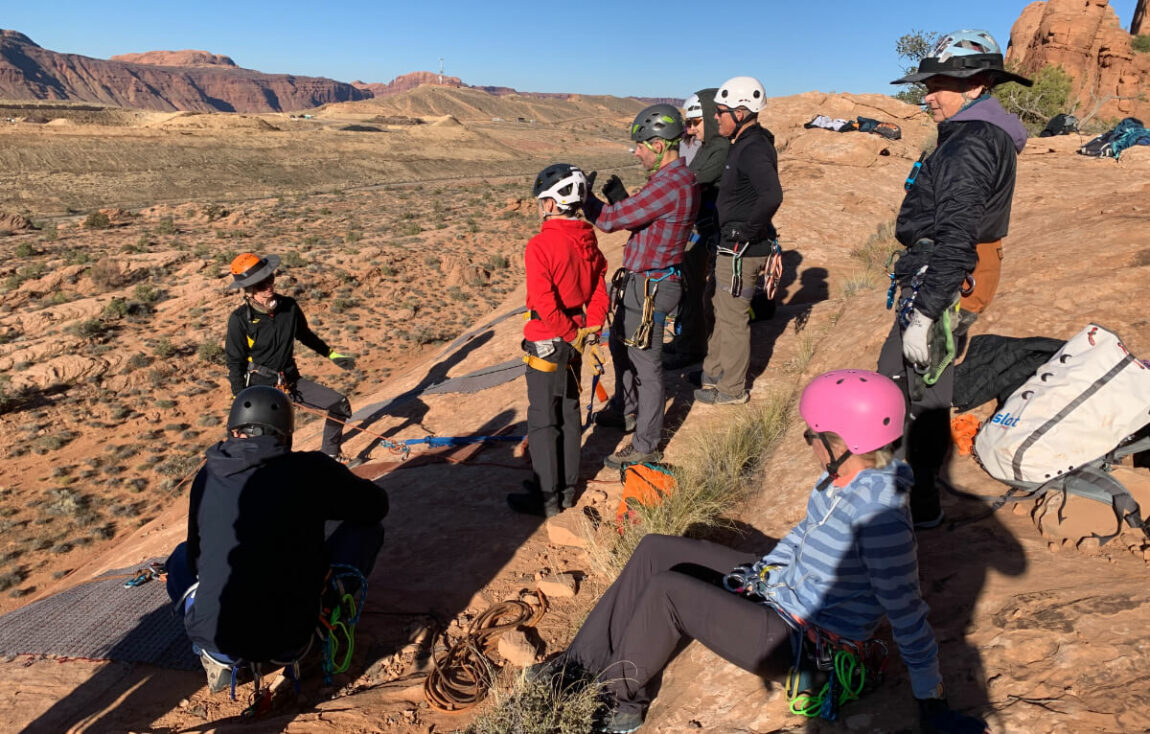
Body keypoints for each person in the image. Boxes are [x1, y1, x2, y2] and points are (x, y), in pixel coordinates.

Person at [542, 370, 987, 734]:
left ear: (840, 441)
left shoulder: (881, 519)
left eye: (813, 434)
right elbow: (805, 533)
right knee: (657, 550)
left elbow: (907, 612)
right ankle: (577, 666)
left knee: (668, 592)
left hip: (809, 649)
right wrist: (763, 572)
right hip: (783, 596)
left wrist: (932, 700)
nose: (809, 442)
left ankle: (620, 702)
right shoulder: (837, 481)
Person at [880, 29, 1031, 528]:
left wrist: (925, 312)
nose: (927, 97)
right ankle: (914, 496)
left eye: (938, 85)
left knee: (915, 392)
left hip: (943, 280)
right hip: (944, 276)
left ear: (977, 84)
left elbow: (958, 236)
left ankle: (915, 502)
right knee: (914, 386)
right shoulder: (974, 133)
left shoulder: (971, 142)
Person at [164, 386, 388, 691]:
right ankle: (325, 632)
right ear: (286, 433)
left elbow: (195, 555)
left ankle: (217, 659)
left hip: (218, 638)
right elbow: (376, 507)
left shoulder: (209, 473)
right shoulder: (311, 471)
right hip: (292, 639)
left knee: (179, 557)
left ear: (234, 431)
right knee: (367, 530)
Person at [585, 104, 699, 469]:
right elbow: (641, 218)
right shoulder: (670, 182)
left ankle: (646, 444)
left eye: (640, 145)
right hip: (644, 282)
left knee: (647, 366)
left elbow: (613, 221)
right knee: (621, 346)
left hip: (650, 286)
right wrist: (620, 199)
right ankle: (626, 409)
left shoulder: (671, 183)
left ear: (660, 144)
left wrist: (585, 198)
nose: (636, 152)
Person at [506, 163, 609, 518]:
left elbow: (545, 301)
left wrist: (567, 333)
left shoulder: (540, 245)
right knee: (568, 411)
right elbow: (598, 287)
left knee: (542, 418)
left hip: (548, 340)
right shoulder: (587, 237)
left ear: (552, 204)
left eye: (542, 201)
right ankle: (565, 490)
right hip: (576, 337)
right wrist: (589, 328)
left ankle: (547, 498)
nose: (539, 207)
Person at [695, 76, 783, 405]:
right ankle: (714, 373)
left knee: (732, 319)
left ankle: (731, 389)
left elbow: (772, 194)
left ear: (741, 112)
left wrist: (746, 231)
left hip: (741, 252)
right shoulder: (744, 143)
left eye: (721, 112)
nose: (716, 117)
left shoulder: (753, 147)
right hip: (732, 248)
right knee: (720, 309)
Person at [223, 252, 359, 463]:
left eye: (269, 278)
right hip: (261, 390)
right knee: (272, 440)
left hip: (290, 381)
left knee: (339, 405)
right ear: (249, 290)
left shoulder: (289, 307)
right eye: (260, 284)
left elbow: (304, 335)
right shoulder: (240, 319)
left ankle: (331, 456)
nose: (267, 285)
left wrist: (331, 354)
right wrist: (239, 397)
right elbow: (235, 361)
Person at [664, 87, 730, 370]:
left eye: (695, 122)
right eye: (688, 124)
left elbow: (692, 183)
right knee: (689, 288)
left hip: (709, 231)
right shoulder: (709, 147)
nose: (691, 129)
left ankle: (692, 348)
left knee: (696, 291)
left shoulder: (721, 149)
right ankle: (686, 341)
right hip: (701, 228)